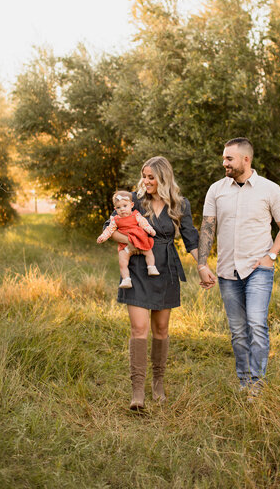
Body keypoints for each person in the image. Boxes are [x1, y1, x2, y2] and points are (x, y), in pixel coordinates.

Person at [198, 137, 280, 398]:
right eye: (224, 158)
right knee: (238, 331)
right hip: (227, 271)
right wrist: (202, 264)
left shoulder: (269, 189)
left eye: (229, 158)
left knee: (256, 323)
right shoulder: (216, 190)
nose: (224, 163)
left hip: (258, 269)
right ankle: (244, 382)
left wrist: (271, 256)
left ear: (246, 159)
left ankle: (258, 383)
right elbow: (207, 228)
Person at [102, 156, 200, 410]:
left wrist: (203, 267)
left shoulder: (180, 204)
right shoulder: (133, 199)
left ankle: (158, 382)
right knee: (138, 328)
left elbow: (190, 238)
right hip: (136, 268)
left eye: (151, 177)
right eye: (144, 176)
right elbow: (109, 227)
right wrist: (131, 242)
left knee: (161, 330)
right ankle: (137, 392)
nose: (146, 182)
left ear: (163, 178)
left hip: (165, 269)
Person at [97, 190, 160, 289]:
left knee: (148, 252)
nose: (122, 209)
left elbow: (144, 223)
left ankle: (151, 267)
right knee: (122, 261)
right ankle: (126, 279)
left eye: (125, 206)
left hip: (139, 241)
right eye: (118, 207)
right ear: (115, 209)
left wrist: (150, 230)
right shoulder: (115, 219)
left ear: (131, 205)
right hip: (125, 246)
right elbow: (109, 230)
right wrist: (103, 237)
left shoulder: (136, 215)